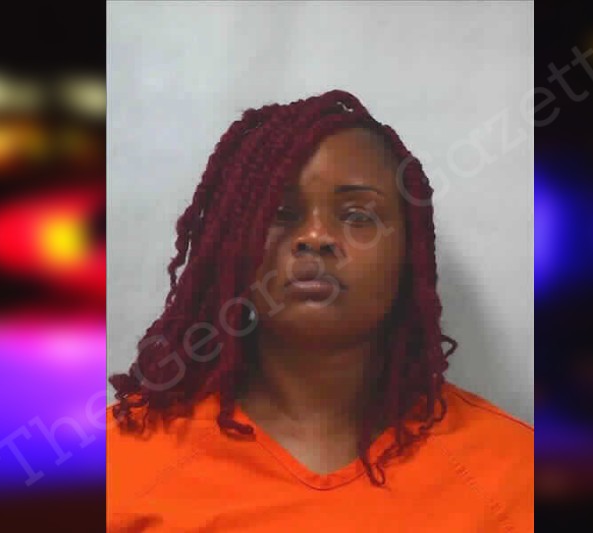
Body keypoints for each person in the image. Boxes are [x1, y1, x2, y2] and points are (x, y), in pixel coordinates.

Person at [107, 89, 533, 532]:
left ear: (411, 255)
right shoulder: (116, 467)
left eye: (358, 216)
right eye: (280, 212)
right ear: (228, 242)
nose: (315, 236)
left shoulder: (514, 475)